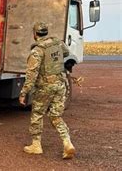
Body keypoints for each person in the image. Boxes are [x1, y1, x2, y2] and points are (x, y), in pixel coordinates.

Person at [18, 22, 76, 159]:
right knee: (55, 116)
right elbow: (66, 52)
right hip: (60, 85)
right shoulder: (57, 43)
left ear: (35, 34)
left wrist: (23, 93)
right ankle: (67, 142)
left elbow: (31, 75)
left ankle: (36, 145)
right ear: (46, 32)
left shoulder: (37, 51)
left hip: (45, 88)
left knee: (37, 114)